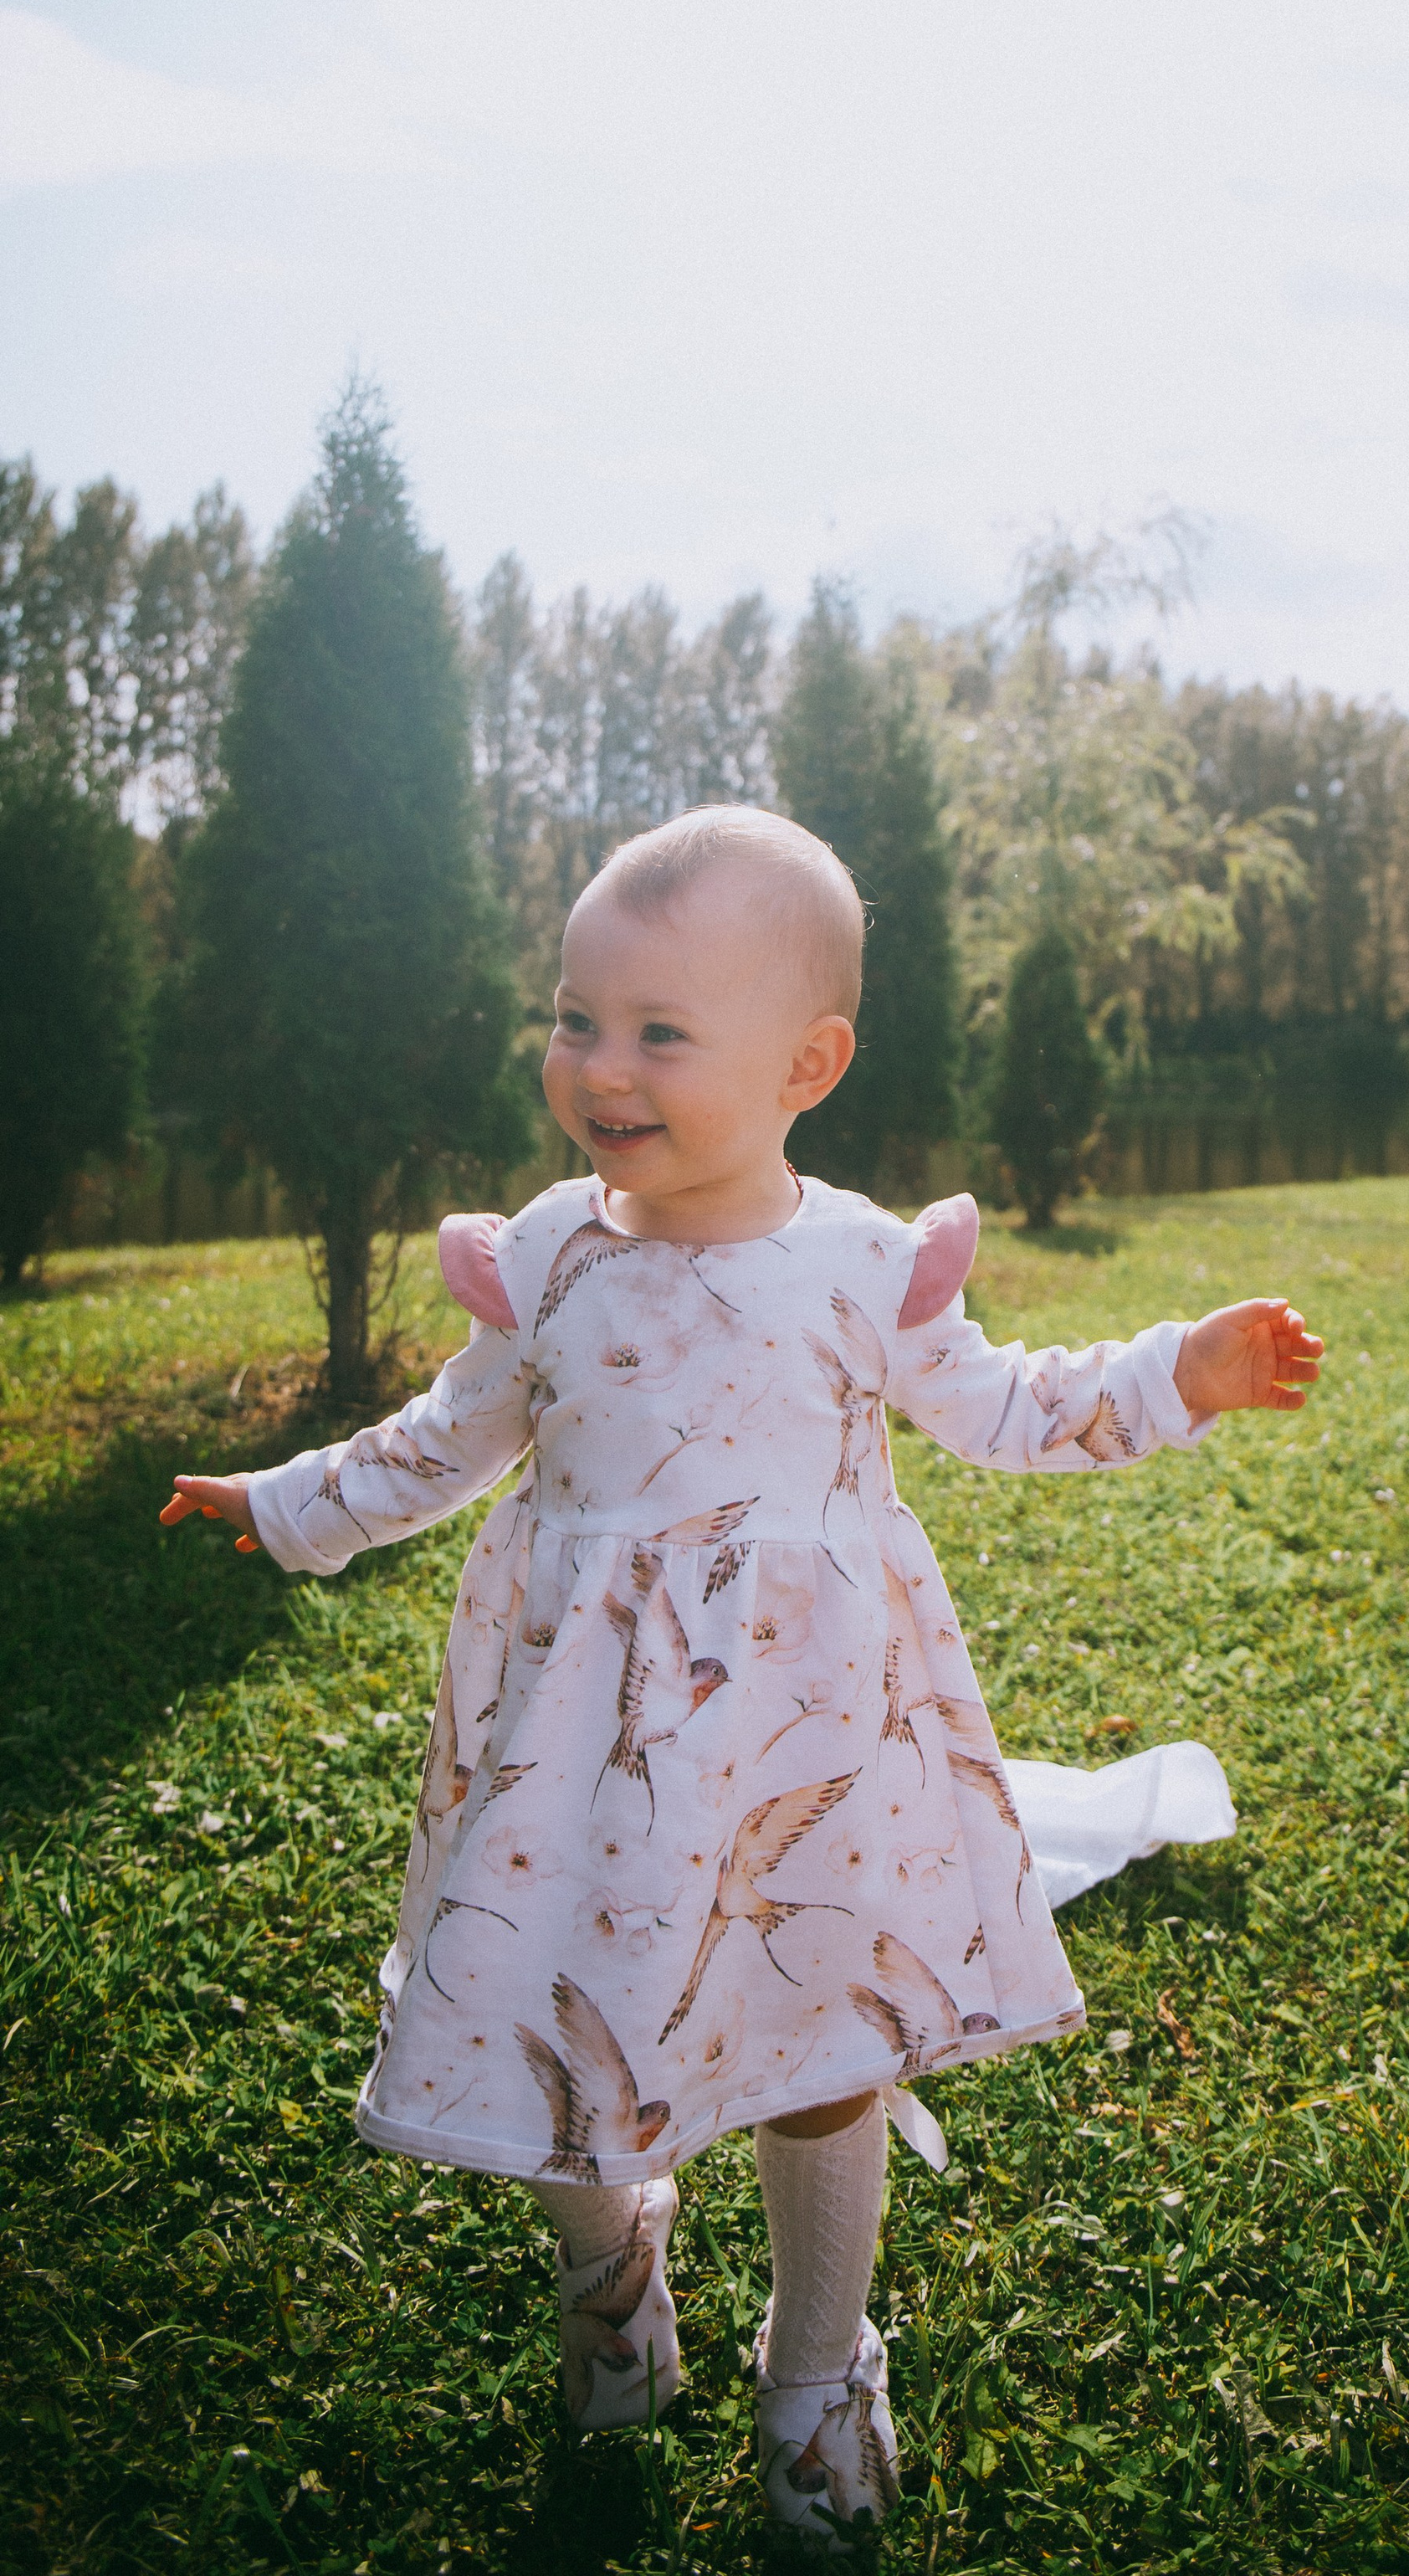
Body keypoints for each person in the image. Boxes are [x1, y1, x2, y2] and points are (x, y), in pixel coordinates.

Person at [161, 804, 1322, 2545]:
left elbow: (1003, 1408)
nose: (597, 1065)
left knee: (818, 2041)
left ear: (808, 1060)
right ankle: (613, 2270)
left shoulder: (864, 1263)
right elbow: (442, 1441)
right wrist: (287, 1503)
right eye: (574, 1018)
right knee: (567, 2029)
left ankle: (815, 2359)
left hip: (817, 1743)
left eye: (657, 1032)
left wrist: (1175, 1374)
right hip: (577, 1752)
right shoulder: (545, 1254)